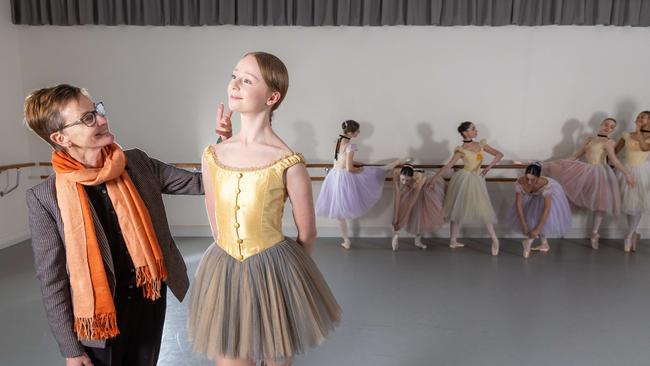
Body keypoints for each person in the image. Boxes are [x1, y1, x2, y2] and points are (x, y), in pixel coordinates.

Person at [24, 84, 230, 366]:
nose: (102, 119)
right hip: (98, 316)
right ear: (61, 137)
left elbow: (200, 183)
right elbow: (52, 279)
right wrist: (71, 350)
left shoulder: (137, 163)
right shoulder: (44, 197)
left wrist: (225, 145)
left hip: (149, 299)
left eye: (96, 109)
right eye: (87, 118)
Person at [188, 52, 341, 366]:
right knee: (230, 356)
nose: (235, 84)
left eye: (247, 80)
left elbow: (308, 233)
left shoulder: (288, 162)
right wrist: (223, 138)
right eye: (234, 75)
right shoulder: (213, 154)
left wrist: (288, 280)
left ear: (272, 97)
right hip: (225, 268)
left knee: (275, 359)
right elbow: (216, 219)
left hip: (273, 267)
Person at [315, 119, 409, 249]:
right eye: (357, 131)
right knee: (374, 171)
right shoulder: (350, 146)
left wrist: (356, 163)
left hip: (334, 176)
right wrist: (360, 169)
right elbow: (349, 168)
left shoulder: (336, 142)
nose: (358, 133)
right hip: (344, 177)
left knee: (339, 212)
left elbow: (339, 160)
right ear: (351, 132)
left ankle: (346, 241)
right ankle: (397, 162)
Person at [544, 118, 634, 249]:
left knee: (600, 204)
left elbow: (614, 160)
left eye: (611, 127)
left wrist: (626, 173)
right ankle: (558, 227)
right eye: (606, 124)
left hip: (601, 173)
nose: (608, 128)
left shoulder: (609, 142)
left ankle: (594, 232)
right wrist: (557, 164)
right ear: (600, 124)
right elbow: (575, 156)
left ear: (613, 130)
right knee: (574, 196)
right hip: (586, 170)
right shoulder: (589, 139)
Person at [430, 121, 503, 256]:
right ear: (465, 133)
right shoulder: (461, 150)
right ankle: (452, 240)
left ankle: (495, 240)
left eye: (475, 129)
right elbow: (448, 166)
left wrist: (488, 167)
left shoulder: (481, 144)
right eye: (473, 129)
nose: (476, 131)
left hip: (477, 180)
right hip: (463, 180)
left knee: (484, 209)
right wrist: (434, 179)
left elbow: (499, 154)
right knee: (457, 208)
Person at [509, 163, 572, 258]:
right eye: (527, 178)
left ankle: (529, 241)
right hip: (532, 195)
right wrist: (523, 224)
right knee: (532, 214)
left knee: (542, 215)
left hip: (549, 194)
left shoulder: (546, 185)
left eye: (533, 179)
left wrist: (537, 229)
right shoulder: (520, 182)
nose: (529, 182)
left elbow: (547, 209)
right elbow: (518, 204)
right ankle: (544, 244)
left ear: (538, 177)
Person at [390, 164, 445, 251]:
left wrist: (404, 220)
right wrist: (395, 218)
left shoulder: (419, 178)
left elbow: (411, 203)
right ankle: (396, 233)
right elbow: (397, 197)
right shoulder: (396, 173)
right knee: (401, 206)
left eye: (407, 180)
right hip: (412, 186)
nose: (403, 182)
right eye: (402, 179)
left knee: (420, 213)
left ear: (411, 177)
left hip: (426, 187)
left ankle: (418, 240)